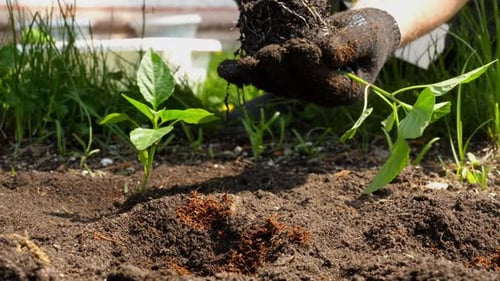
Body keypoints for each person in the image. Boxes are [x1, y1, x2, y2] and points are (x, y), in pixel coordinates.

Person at [221, 0, 476, 109]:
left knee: (462, 45)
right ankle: (296, 82)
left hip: (459, 24)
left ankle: (396, 70)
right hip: (324, 27)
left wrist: (383, 25)